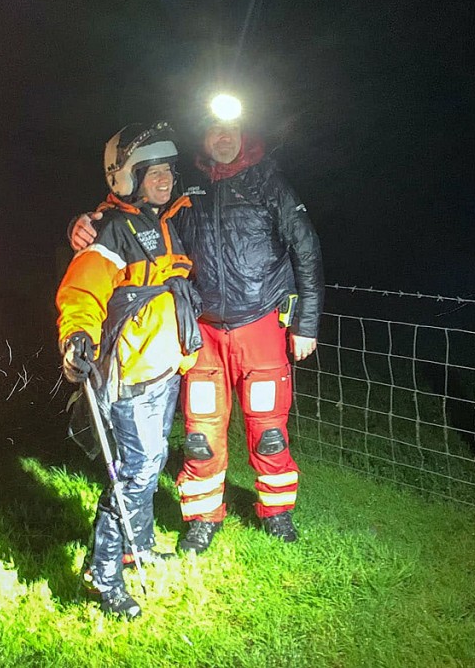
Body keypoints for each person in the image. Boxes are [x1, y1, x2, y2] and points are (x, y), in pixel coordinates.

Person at [70, 95, 324, 552]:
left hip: (260, 322)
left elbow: (306, 249)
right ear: (204, 137)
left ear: (243, 132)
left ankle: (277, 512)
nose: (223, 139)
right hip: (201, 329)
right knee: (201, 433)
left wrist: (306, 322)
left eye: (231, 130)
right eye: (213, 131)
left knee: (267, 430)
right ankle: (204, 517)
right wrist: (87, 221)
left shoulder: (270, 181)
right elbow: (133, 207)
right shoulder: (184, 183)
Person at [57, 121, 201, 618]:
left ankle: (137, 547)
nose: (163, 179)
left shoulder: (166, 221)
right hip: (132, 374)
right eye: (151, 171)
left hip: (165, 370)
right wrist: (77, 335)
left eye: (167, 170)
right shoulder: (112, 228)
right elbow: (82, 290)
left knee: (149, 465)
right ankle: (105, 575)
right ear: (127, 177)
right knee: (134, 476)